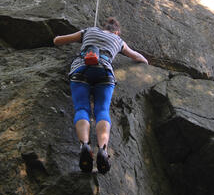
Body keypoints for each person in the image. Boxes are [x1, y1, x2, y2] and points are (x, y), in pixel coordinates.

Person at [53, 17, 148, 174]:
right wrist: (145, 62)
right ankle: (103, 149)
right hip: (105, 73)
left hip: (81, 69)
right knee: (102, 110)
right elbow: (137, 56)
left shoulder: (89, 31)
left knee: (81, 108)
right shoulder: (119, 40)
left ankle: (84, 144)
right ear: (116, 31)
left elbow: (58, 41)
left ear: (103, 27)